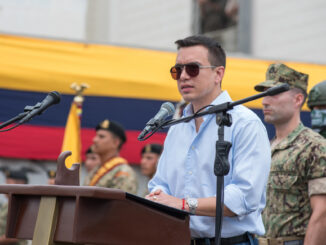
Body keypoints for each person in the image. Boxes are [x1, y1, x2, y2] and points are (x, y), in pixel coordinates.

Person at [147, 35, 271, 245]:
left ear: (218, 73)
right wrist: (158, 197)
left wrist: (183, 204)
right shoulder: (177, 126)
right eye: (177, 70)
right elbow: (160, 184)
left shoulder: (245, 123)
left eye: (193, 68)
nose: (183, 76)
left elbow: (242, 198)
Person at [254, 63, 326, 245]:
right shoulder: (265, 148)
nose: (264, 101)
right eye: (264, 93)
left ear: (297, 99)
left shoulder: (315, 147)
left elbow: (322, 213)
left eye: (273, 93)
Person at [84, 119, 138, 194]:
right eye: (96, 135)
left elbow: (122, 205)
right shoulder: (96, 169)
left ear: (116, 142)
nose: (95, 140)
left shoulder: (123, 173)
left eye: (101, 137)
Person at [0, 170, 28, 245]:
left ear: (19, 184)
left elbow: (15, 236)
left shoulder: (21, 206)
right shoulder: (7, 205)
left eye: (8, 183)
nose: (5, 186)